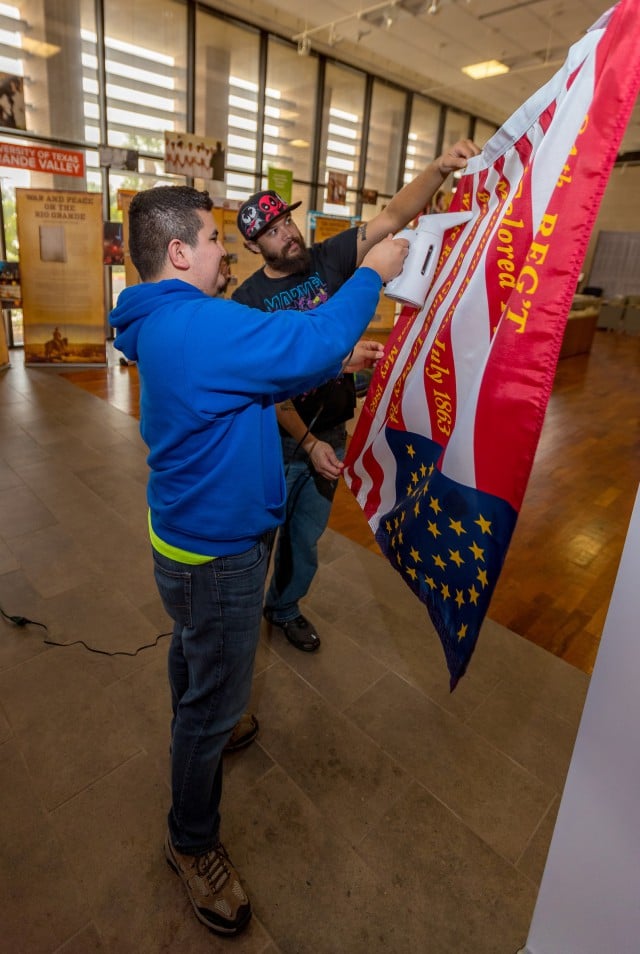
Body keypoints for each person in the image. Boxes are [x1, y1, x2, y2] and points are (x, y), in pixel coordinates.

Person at [108, 185, 408, 937]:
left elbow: (259, 379)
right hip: (218, 553)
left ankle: (197, 712)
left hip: (182, 539)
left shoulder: (160, 320)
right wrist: (371, 272)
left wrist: (336, 364)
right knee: (213, 705)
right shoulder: (200, 325)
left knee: (193, 652)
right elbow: (307, 345)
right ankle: (191, 839)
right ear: (178, 253)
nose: (222, 251)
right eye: (211, 238)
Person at [232, 138, 480, 652]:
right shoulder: (247, 301)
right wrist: (306, 444)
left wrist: (438, 169)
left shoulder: (328, 259)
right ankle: (237, 623)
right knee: (259, 542)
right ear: (255, 247)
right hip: (279, 441)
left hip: (330, 429)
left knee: (304, 540)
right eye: (273, 234)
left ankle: (284, 609)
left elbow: (391, 217)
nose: (287, 236)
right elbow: (269, 388)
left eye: (287, 223)